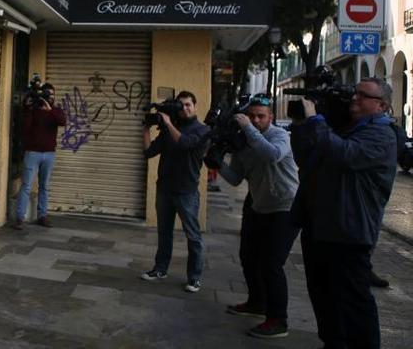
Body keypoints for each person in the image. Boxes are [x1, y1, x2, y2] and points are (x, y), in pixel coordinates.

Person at [290, 78, 397, 349]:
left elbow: (345, 155)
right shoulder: (346, 128)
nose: (354, 99)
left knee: (353, 300)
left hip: (349, 230)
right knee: (323, 294)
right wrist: (305, 125)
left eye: (363, 96)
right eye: (354, 94)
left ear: (382, 105)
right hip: (323, 225)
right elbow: (307, 160)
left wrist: (316, 121)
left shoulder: (381, 134)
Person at [215, 94, 300, 339]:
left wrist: (248, 129)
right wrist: (217, 162)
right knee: (248, 257)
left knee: (271, 264)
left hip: (285, 206)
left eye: (260, 116)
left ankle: (278, 320)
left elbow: (271, 154)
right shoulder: (244, 143)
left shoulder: (280, 136)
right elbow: (235, 178)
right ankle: (257, 302)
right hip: (259, 205)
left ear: (270, 118)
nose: (255, 120)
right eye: (251, 116)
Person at [140, 91, 210, 293]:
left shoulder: (203, 130)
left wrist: (169, 124)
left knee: (193, 236)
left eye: (188, 104)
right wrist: (146, 127)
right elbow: (149, 152)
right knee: (164, 233)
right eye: (181, 105)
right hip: (165, 189)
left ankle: (195, 277)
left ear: (195, 106)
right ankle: (160, 269)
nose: (185, 108)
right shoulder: (170, 130)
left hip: (186, 192)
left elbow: (186, 143)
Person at [12, 82, 66, 229]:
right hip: (32, 153)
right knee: (26, 186)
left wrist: (50, 111)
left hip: (49, 154)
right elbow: (25, 128)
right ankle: (19, 218)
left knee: (44, 186)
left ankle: (42, 216)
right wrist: (29, 109)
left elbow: (62, 121)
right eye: (47, 94)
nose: (50, 97)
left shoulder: (56, 111)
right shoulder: (33, 111)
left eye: (52, 95)